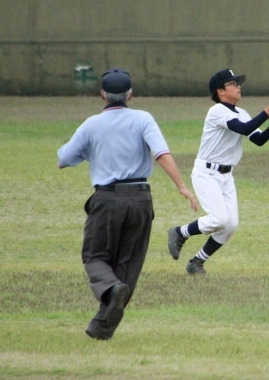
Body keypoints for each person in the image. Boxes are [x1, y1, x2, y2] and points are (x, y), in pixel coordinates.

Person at [57, 68, 198, 340]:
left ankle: (110, 290)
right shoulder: (143, 119)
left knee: (95, 256)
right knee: (128, 264)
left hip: (106, 199)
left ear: (102, 95)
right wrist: (182, 187)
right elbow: (161, 154)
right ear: (130, 95)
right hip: (140, 199)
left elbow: (64, 159)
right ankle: (101, 328)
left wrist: (89, 151)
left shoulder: (91, 125)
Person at [167, 69, 269, 274]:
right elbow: (243, 129)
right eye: (233, 83)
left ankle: (197, 262)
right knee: (218, 219)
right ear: (221, 91)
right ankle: (180, 232)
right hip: (206, 173)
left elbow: (258, 139)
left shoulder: (242, 113)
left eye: (238, 83)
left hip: (226, 176)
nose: (238, 86)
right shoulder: (217, 111)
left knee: (230, 225)